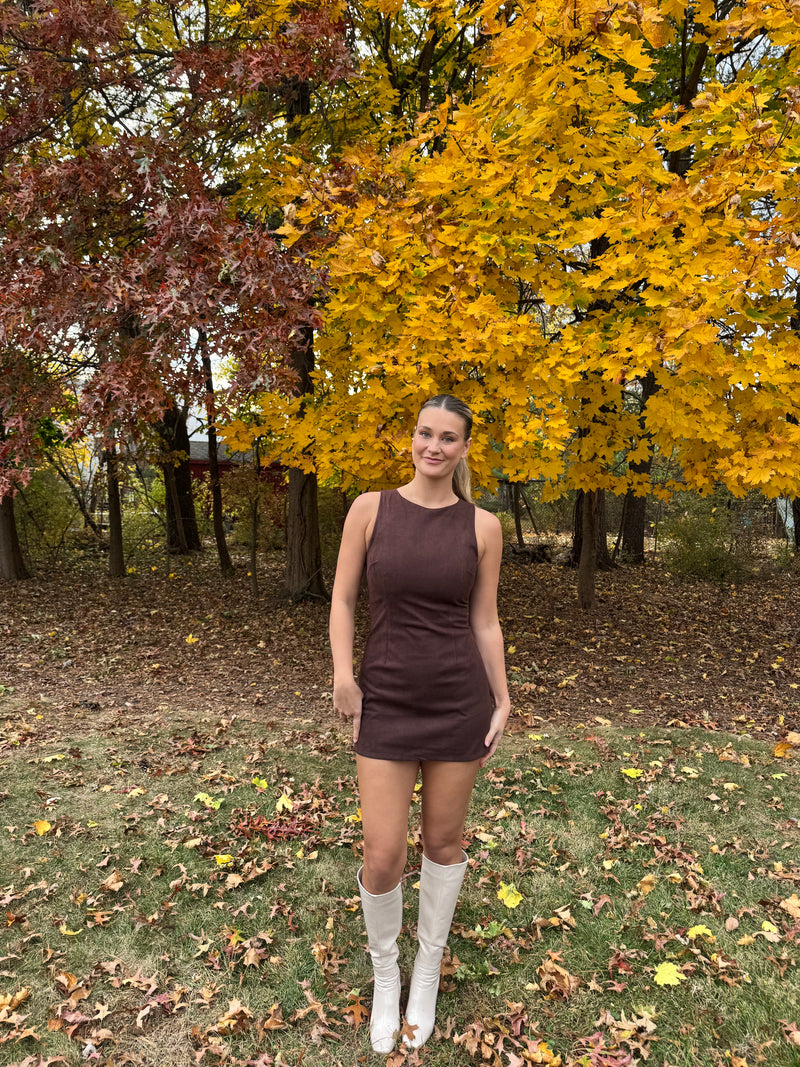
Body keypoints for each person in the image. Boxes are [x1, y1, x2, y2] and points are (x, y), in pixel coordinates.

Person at [329, 394, 511, 1053]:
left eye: (448, 437)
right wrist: (343, 674)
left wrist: (502, 697)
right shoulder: (369, 509)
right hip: (385, 698)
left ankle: (425, 973)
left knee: (443, 842)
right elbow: (342, 598)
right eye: (425, 433)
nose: (434, 446)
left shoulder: (483, 526)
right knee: (383, 854)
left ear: (464, 447)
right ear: (412, 439)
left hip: (458, 701)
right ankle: (387, 976)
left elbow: (484, 619)